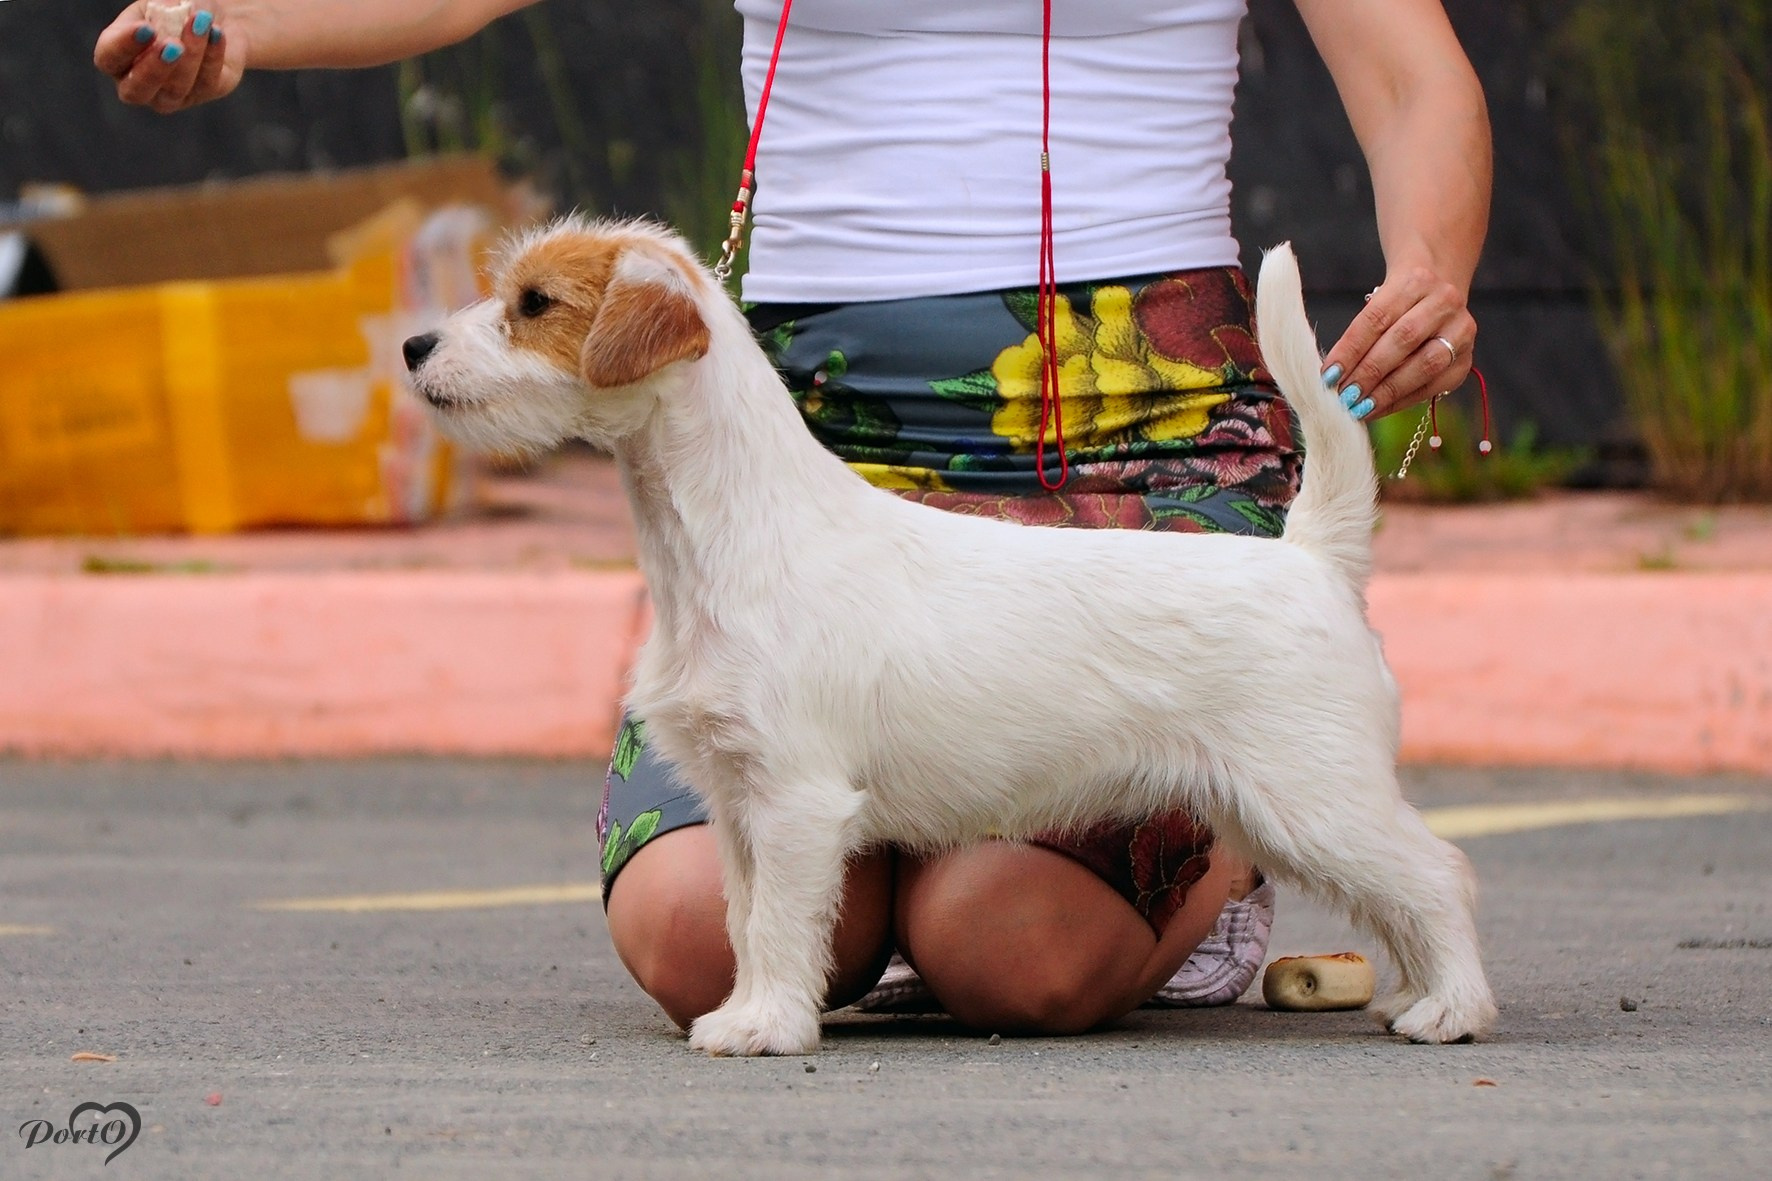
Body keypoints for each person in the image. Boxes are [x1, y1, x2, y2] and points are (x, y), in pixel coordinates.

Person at [96, 0, 1491, 1035]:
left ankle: (1206, 839)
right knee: (698, 938)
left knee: (1013, 950)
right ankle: (895, 864)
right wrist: (237, 24)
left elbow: (1413, 76)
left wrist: (1429, 270)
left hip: (1135, 436)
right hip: (803, 430)